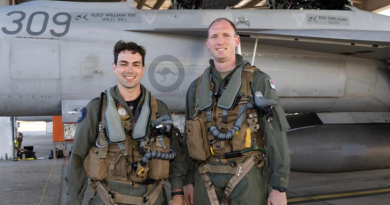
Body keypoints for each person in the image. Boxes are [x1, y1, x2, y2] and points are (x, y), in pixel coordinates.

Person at [183, 18, 290, 205]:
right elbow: (189, 138)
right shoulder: (196, 88)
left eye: (226, 35)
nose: (220, 41)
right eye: (214, 36)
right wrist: (187, 182)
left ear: (237, 41)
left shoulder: (257, 81)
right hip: (205, 177)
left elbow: (275, 135)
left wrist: (278, 187)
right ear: (208, 43)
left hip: (247, 175)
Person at [65, 41, 186, 205]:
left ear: (143, 70)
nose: (130, 70)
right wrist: (73, 201)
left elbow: (175, 156)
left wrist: (177, 193)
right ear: (114, 68)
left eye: (136, 64)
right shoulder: (96, 109)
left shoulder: (159, 109)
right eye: (124, 64)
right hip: (109, 198)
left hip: (153, 197)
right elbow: (77, 158)